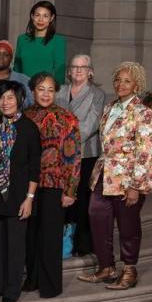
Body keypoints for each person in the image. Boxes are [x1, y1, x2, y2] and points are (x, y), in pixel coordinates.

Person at [77, 62, 152, 290]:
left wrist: (135, 186)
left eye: (127, 81)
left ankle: (129, 270)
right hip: (104, 175)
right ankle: (106, 267)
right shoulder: (110, 108)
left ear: (137, 85)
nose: (121, 84)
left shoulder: (144, 113)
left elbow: (144, 152)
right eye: (118, 80)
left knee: (128, 225)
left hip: (129, 178)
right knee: (96, 216)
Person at [0, 81, 40, 302]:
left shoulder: (29, 128)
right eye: (2, 97)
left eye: (11, 98)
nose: (5, 102)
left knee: (14, 247)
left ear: (20, 100)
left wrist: (29, 199)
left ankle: (11, 291)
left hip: (17, 196)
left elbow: (35, 168)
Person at [22, 71, 81, 299]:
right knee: (31, 234)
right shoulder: (24, 115)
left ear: (56, 92)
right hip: (28, 185)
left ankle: (50, 285)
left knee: (50, 236)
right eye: (40, 89)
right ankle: (32, 278)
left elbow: (73, 156)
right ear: (32, 90)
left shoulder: (67, 118)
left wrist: (70, 190)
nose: (45, 94)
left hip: (55, 184)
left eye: (50, 89)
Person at [55, 54, 105, 256]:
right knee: (62, 198)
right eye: (74, 67)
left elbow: (91, 124)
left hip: (85, 154)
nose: (77, 70)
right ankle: (62, 242)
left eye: (82, 67)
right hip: (60, 155)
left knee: (82, 200)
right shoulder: (60, 90)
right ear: (69, 71)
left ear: (90, 71)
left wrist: (66, 141)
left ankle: (82, 244)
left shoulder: (97, 94)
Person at [15, 0, 66, 84]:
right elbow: (17, 69)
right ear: (32, 16)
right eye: (37, 15)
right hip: (23, 90)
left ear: (51, 18)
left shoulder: (58, 41)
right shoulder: (22, 39)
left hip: (45, 92)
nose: (40, 19)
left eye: (45, 16)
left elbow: (59, 74)